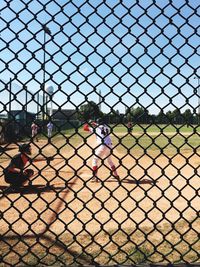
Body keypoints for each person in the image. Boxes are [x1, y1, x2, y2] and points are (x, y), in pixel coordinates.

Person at [83, 117, 119, 182]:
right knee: (110, 161)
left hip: (103, 145)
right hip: (110, 146)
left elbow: (85, 128)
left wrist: (88, 123)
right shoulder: (107, 127)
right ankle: (116, 175)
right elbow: (101, 127)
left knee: (95, 160)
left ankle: (95, 177)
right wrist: (95, 123)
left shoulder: (96, 128)